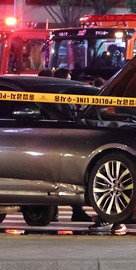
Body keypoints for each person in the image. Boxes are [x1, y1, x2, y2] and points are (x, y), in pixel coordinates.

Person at [48, 67, 93, 222]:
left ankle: (56, 211)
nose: (69, 81)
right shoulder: (56, 97)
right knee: (62, 175)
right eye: (68, 78)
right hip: (56, 141)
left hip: (57, 139)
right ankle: (66, 211)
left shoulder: (61, 97)